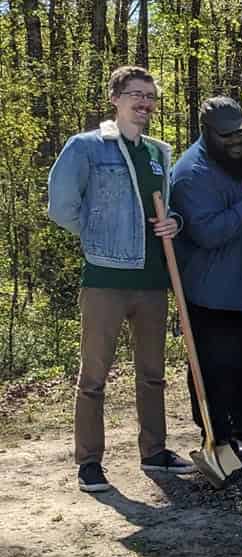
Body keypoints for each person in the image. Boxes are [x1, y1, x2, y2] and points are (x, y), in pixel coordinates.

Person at [46, 64, 192, 492]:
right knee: (94, 376)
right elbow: (61, 206)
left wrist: (175, 224)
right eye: (136, 94)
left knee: (152, 373)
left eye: (150, 96)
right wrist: (100, 237)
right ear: (115, 98)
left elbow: (172, 210)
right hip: (105, 280)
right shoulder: (87, 147)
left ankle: (155, 451)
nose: (144, 102)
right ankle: (90, 463)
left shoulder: (159, 153)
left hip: (152, 282)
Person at [169, 95, 242, 460]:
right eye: (227, 135)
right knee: (215, 363)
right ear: (208, 132)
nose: (235, 141)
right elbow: (207, 233)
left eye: (241, 133)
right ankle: (216, 433)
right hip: (212, 287)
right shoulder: (190, 172)